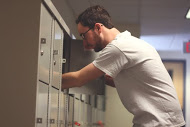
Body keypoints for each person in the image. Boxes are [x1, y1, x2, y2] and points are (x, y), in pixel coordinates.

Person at [62, 5, 185, 127]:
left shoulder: (118, 48)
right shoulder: (129, 42)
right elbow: (136, 83)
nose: (84, 43)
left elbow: (78, 79)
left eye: (84, 35)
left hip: (161, 123)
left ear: (98, 27)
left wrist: (45, 75)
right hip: (165, 122)